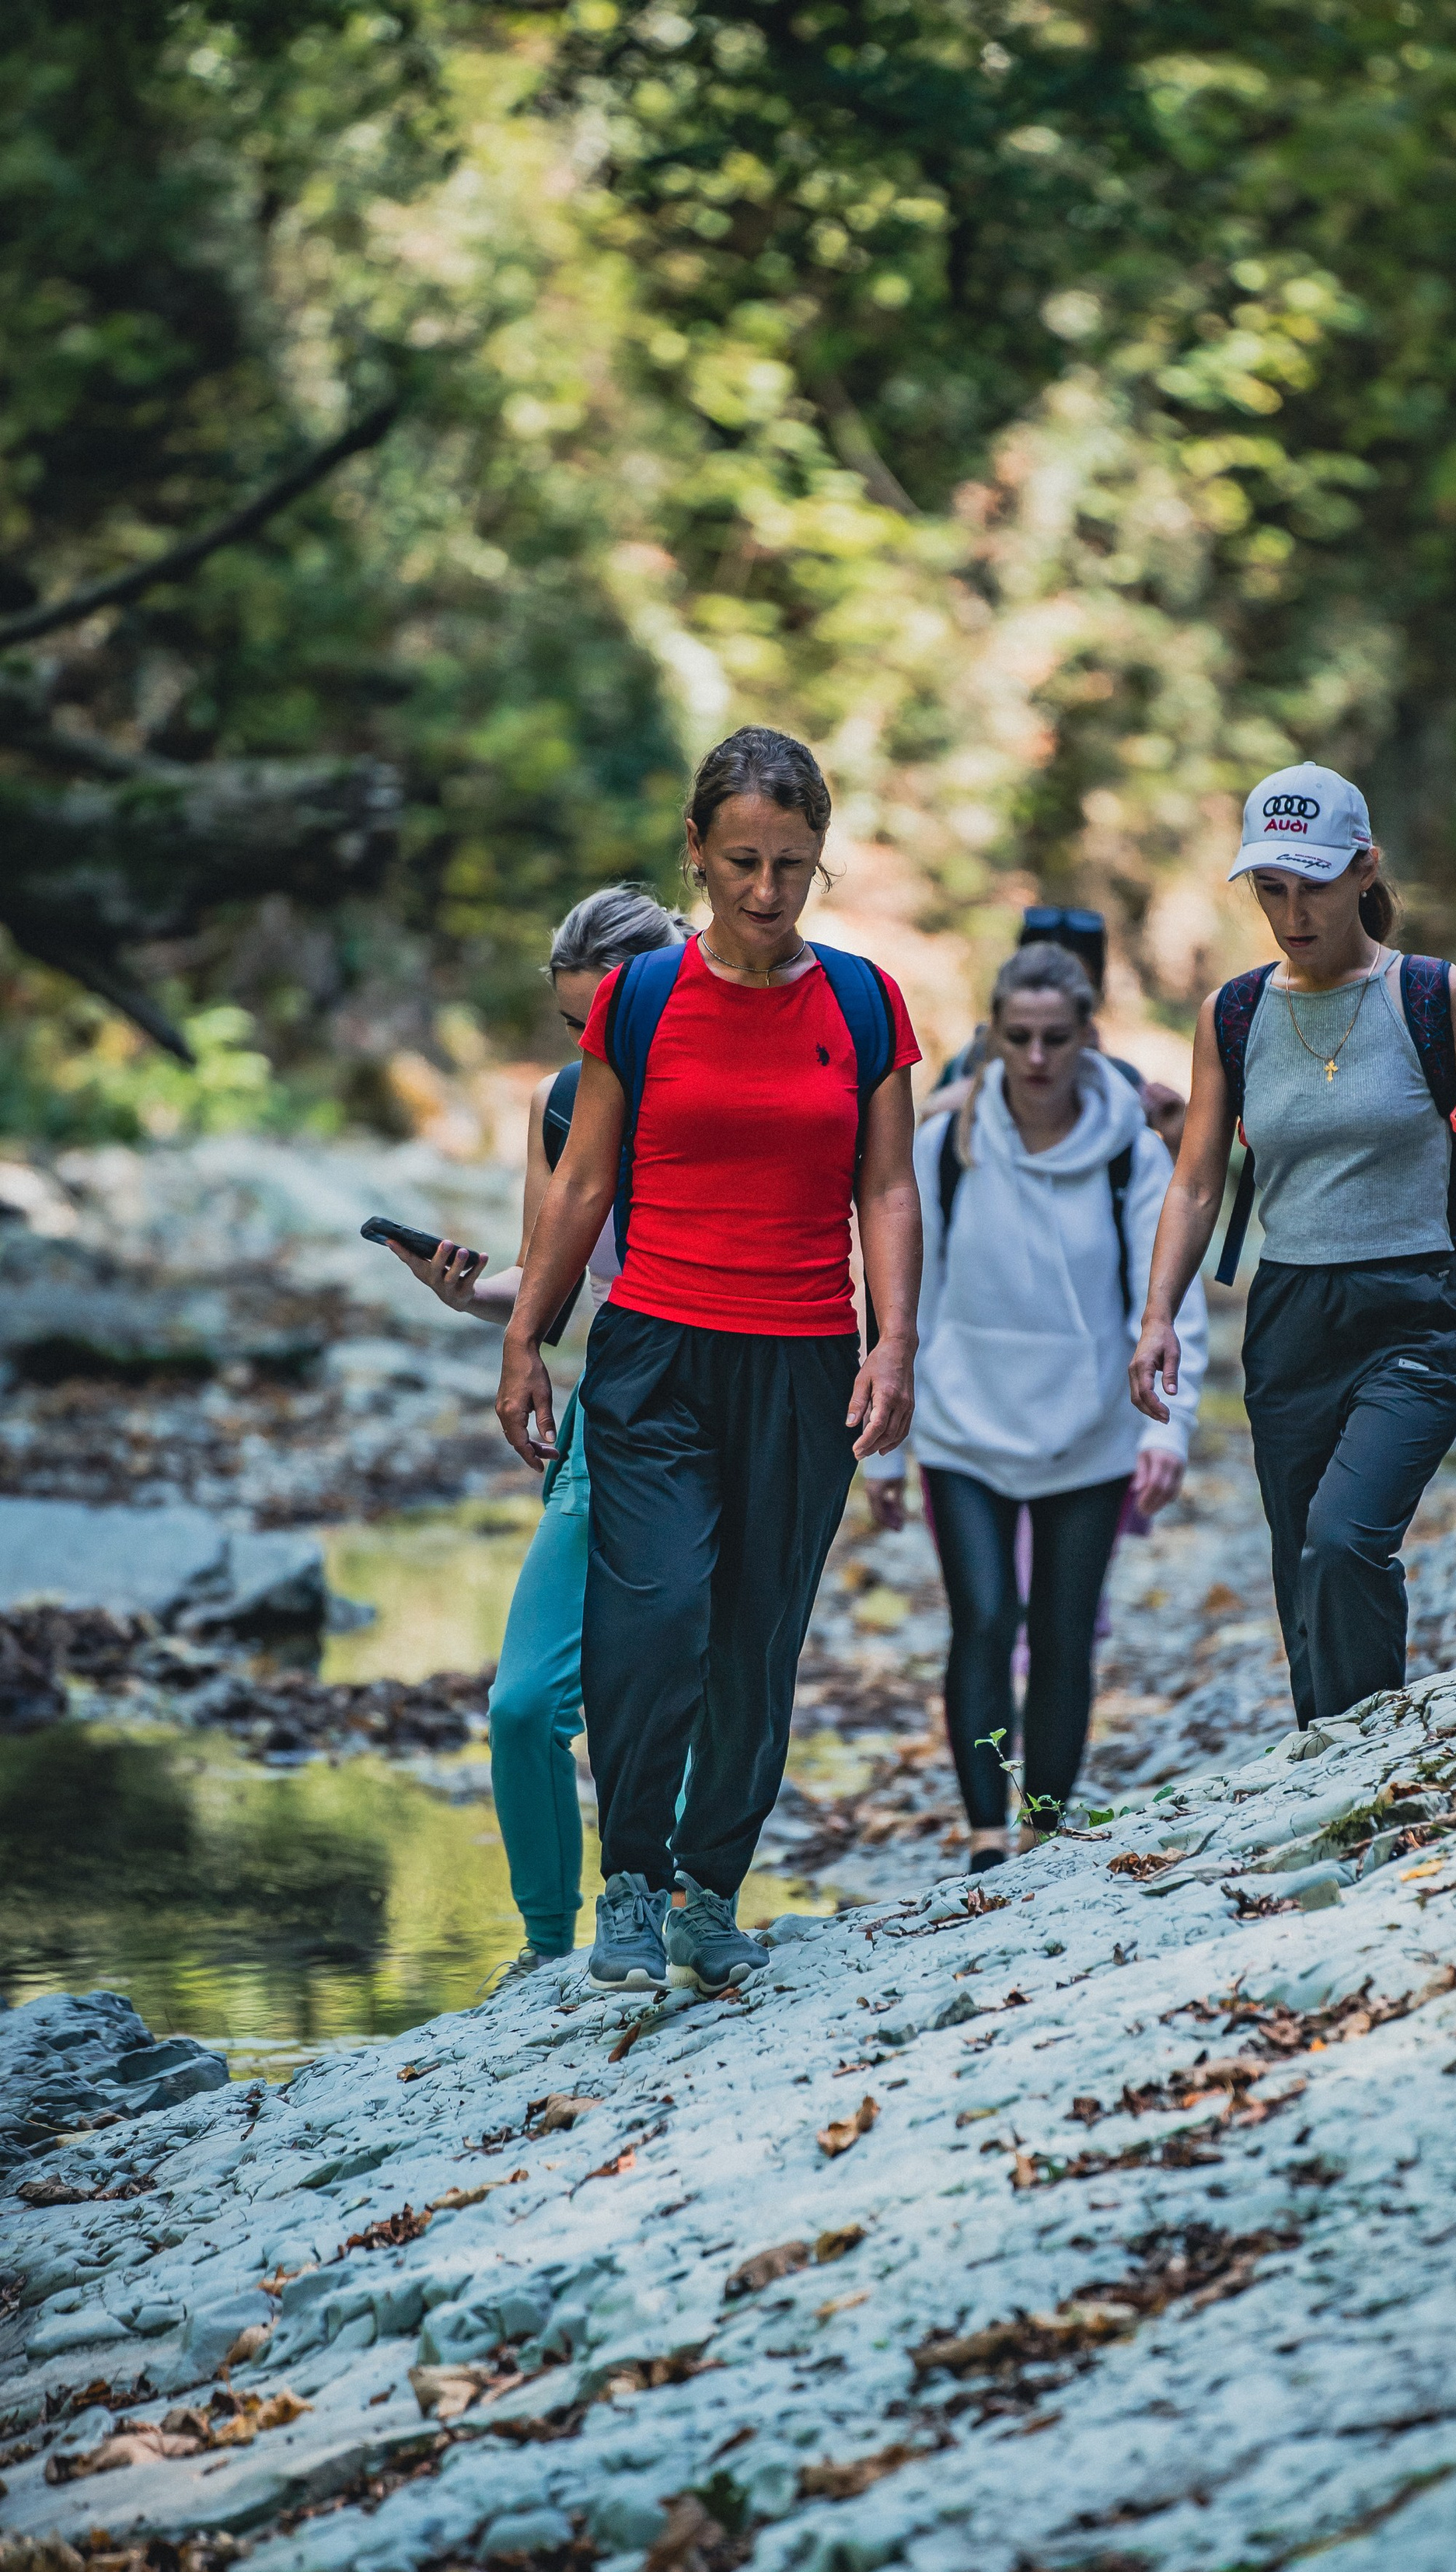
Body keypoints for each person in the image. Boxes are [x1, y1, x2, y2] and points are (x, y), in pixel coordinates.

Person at [495, 727, 922, 1991]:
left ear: (820, 860)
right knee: (654, 1616)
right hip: (657, 1357)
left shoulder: (862, 1001)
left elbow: (888, 1191)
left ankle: (708, 1889)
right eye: (741, 860)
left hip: (800, 1359)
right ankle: (627, 1882)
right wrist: (528, 1338)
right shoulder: (638, 999)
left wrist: (895, 1341)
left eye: (792, 863)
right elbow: (580, 1191)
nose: (764, 889)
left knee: (755, 1640)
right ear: (697, 849)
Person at [1130, 762, 1456, 1727]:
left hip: (1413, 1311)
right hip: (1290, 1317)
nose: (1292, 913)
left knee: (1343, 1540)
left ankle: (1375, 1758)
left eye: (1314, 885)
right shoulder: (1232, 1015)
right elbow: (1198, 1178)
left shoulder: (1432, 994)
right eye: (1270, 889)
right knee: (1300, 1568)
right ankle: (1327, 1768)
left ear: (1365, 869)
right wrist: (1159, 1315)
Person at [379, 887, 688, 1981]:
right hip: (612, 1418)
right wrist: (466, 1296)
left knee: (676, 1692)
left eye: (611, 1017)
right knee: (522, 1707)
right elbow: (545, 1286)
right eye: (575, 1027)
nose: (592, 1044)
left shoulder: (738, 1079)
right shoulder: (564, 1103)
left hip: (730, 1413)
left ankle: (687, 1909)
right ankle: (546, 1950)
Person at [871, 942, 1206, 1870]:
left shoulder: (1129, 1158)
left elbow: (1168, 1303)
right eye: (1016, 1037)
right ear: (991, 1037)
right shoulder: (943, 1148)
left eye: (1056, 1038)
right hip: (961, 1430)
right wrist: (884, 1453)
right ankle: (985, 1836)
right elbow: (905, 1307)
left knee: (1063, 1633)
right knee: (983, 1620)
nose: (1035, 1057)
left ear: (1087, 1037)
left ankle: (1045, 1826)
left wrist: (1169, 1430)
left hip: (1092, 1432)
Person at [935, 906, 1187, 1155]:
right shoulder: (967, 1065)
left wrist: (1176, 1143)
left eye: (1075, 983)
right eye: (1018, 1037)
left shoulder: (1121, 1083)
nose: (1036, 1056)